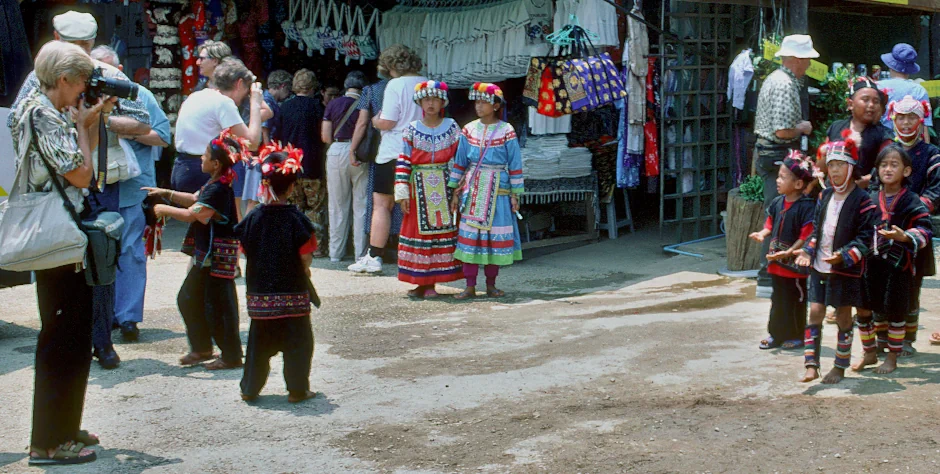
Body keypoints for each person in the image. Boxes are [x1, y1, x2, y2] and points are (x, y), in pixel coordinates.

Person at [9, 11, 153, 348]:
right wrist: (76, 126)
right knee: (66, 280)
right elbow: (76, 171)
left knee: (102, 266)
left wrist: (103, 118)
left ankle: (101, 342)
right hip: (65, 192)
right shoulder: (38, 94)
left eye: (84, 48)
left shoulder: (102, 75)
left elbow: (145, 122)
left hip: (99, 186)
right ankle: (82, 342)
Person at [11, 40, 107, 466]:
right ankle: (48, 442)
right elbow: (83, 176)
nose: (86, 88)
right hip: (56, 235)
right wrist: (85, 128)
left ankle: (66, 426)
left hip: (60, 233)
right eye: (83, 80)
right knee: (62, 337)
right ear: (63, 79)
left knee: (73, 333)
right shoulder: (44, 114)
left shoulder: (32, 103)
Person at [90, 46, 170, 367]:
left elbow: (163, 136)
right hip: (98, 188)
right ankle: (103, 317)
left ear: (120, 68)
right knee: (99, 254)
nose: (107, 78)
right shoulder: (87, 95)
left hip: (133, 188)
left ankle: (128, 317)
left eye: (111, 71)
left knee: (132, 252)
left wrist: (123, 129)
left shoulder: (140, 95)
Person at [146, 130, 247, 370]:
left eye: (205, 155)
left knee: (216, 305)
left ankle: (229, 355)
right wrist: (166, 193)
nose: (201, 158)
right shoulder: (215, 183)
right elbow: (194, 199)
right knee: (192, 299)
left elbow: (195, 215)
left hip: (216, 258)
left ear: (215, 164)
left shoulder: (218, 189)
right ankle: (203, 348)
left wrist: (163, 209)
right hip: (209, 256)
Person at [235, 144, 317, 404]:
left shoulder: (252, 218)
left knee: (257, 346)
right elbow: (306, 254)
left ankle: (250, 388)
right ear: (292, 187)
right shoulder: (298, 220)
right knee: (299, 344)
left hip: (261, 295)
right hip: (294, 294)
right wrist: (304, 271)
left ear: (264, 183)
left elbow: (244, 247)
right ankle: (297, 389)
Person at [795, 132, 876, 384]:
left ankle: (839, 366)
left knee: (843, 316)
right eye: (831, 165)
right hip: (820, 265)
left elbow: (865, 240)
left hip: (845, 269)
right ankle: (811, 364)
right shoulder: (824, 195)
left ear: (851, 167)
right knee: (815, 312)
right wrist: (807, 252)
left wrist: (844, 256)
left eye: (841, 165)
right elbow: (817, 231)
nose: (835, 170)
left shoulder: (864, 201)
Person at [852, 145, 931, 374]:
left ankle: (892, 358)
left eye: (894, 165)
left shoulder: (912, 200)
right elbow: (858, 228)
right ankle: (869, 352)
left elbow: (925, 229)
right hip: (870, 264)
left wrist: (904, 236)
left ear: (906, 171)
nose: (888, 169)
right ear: (877, 170)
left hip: (899, 266)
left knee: (896, 312)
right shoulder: (868, 199)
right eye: (883, 165)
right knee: (864, 309)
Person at [349, 45, 427, 273]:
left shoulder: (395, 85)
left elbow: (389, 121)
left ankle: (374, 255)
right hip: (421, 151)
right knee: (414, 205)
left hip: (393, 151)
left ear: (392, 65)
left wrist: (375, 120)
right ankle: (418, 253)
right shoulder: (426, 82)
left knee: (382, 205)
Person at [752, 34, 817, 299]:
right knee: (780, 214)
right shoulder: (783, 84)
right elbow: (782, 131)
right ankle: (768, 274)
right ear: (796, 59)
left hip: (773, 153)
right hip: (776, 152)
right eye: (807, 60)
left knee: (781, 213)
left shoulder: (782, 80)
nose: (809, 66)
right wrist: (802, 127)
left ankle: (774, 271)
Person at [448, 83, 524, 299]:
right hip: (473, 189)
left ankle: (491, 285)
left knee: (493, 241)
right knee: (470, 239)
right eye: (477, 102)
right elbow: (460, 162)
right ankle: (470, 286)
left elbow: (515, 163)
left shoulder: (507, 131)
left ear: (496, 105)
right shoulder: (468, 130)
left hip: (499, 188)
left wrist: (515, 194)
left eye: (484, 102)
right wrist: (454, 190)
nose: (479, 106)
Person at [394, 81, 462, 297]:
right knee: (418, 233)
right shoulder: (411, 129)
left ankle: (432, 282)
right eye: (426, 99)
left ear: (442, 102)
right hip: (418, 187)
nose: (430, 104)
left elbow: (458, 159)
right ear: (420, 102)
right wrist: (403, 191)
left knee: (441, 233)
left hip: (444, 184)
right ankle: (421, 281)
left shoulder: (452, 127)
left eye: (434, 99)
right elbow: (404, 160)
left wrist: (456, 190)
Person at [884, 96, 940, 354]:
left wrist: (912, 210)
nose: (906, 123)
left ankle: (907, 340)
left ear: (921, 120)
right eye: (901, 117)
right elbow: (876, 186)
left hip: (916, 229)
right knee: (883, 281)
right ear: (893, 118)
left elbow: (936, 190)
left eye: (912, 117)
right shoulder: (885, 151)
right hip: (885, 228)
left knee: (912, 284)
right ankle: (882, 337)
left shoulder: (932, 154)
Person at [749, 151, 815, 350]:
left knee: (795, 301)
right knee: (777, 300)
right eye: (778, 176)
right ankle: (775, 334)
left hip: (795, 267)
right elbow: (770, 223)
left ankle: (797, 335)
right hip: (777, 265)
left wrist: (790, 253)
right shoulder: (778, 202)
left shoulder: (806, 206)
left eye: (782, 177)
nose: (777, 180)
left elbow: (805, 236)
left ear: (798, 184)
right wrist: (762, 234)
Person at [172, 58, 264, 194]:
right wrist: (255, 102)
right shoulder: (223, 102)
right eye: (246, 90)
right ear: (239, 84)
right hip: (201, 171)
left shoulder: (196, 96)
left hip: (182, 168)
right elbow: (252, 143)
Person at [350, 62, 405, 265]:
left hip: (382, 151)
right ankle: (405, 247)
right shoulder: (413, 87)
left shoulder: (370, 90)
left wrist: (353, 149)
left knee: (381, 204)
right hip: (408, 150)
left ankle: (377, 251)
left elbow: (362, 122)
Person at [273, 68, 328, 253]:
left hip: (290, 164)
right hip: (312, 165)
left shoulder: (285, 108)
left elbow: (278, 137)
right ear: (313, 86)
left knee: (294, 207)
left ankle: (293, 244)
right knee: (315, 207)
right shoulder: (317, 107)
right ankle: (317, 246)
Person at [322, 71, 368, 262]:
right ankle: (360, 253)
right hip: (359, 153)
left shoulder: (332, 104)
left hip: (336, 150)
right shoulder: (366, 104)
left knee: (337, 205)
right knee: (361, 204)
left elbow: (325, 136)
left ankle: (335, 253)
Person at [824, 79, 892, 191]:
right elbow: (822, 164)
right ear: (850, 104)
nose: (871, 105)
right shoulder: (835, 127)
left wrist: (865, 182)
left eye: (876, 101)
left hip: (866, 196)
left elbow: (889, 168)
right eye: (865, 100)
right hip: (834, 193)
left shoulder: (884, 135)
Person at [244, 69, 293, 214]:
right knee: (256, 198)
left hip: (258, 154)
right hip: (261, 156)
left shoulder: (265, 98)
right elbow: (265, 130)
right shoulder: (268, 101)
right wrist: (268, 155)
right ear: (283, 86)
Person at [878, 43, 932, 134]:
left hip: (882, 144)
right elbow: (924, 126)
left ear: (890, 66)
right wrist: (926, 147)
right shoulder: (919, 90)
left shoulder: (878, 87)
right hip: (911, 144)